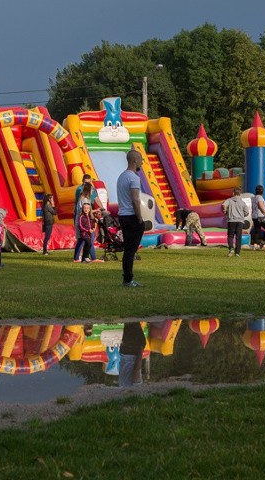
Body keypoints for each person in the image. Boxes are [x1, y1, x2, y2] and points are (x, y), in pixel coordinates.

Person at [117, 149, 145, 287]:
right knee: (131, 250)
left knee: (128, 249)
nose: (141, 162)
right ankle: (128, 279)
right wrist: (140, 218)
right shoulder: (134, 178)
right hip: (131, 216)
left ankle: (127, 278)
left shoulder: (122, 176)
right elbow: (135, 200)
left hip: (122, 215)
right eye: (140, 159)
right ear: (135, 160)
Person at [118, 321, 147, 388]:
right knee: (128, 325)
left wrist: (141, 350)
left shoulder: (136, 387)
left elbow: (136, 370)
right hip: (124, 352)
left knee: (135, 326)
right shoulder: (122, 387)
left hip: (131, 352)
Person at [250, 185, 265, 250]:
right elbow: (261, 206)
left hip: (254, 216)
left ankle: (255, 245)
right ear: (262, 191)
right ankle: (263, 243)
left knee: (257, 230)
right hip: (260, 216)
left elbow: (253, 207)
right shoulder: (260, 197)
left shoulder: (253, 197)